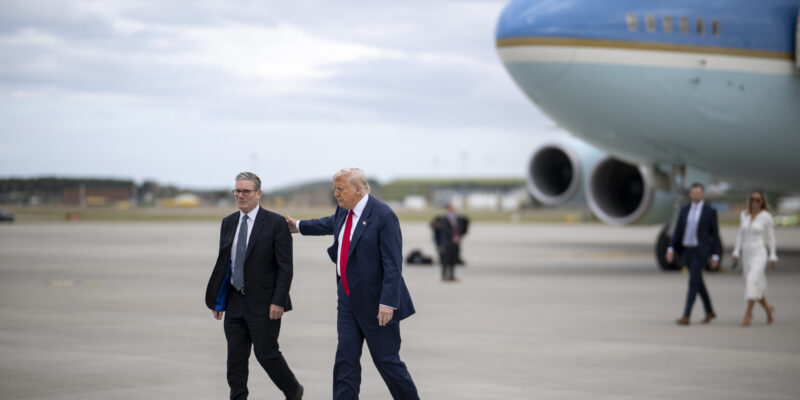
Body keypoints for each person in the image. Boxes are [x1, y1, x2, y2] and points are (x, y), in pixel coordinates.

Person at [286, 168, 419, 400]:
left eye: (340, 189)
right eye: (334, 189)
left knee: (387, 362)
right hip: (347, 300)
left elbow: (393, 265)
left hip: (378, 304)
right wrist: (299, 226)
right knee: (345, 361)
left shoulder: (383, 215)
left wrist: (388, 302)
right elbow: (329, 224)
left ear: (358, 189)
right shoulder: (343, 211)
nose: (336, 194)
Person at [205, 172, 304, 400]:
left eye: (246, 191)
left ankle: (293, 390)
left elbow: (285, 267)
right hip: (234, 301)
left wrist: (278, 300)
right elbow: (224, 264)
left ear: (258, 194)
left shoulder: (276, 223)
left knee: (266, 354)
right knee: (235, 360)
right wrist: (217, 300)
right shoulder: (228, 222)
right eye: (237, 191)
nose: (240, 195)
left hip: (265, 303)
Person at [666, 182, 722, 326]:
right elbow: (678, 231)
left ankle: (686, 315)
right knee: (698, 282)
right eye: (693, 193)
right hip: (688, 250)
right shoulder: (684, 210)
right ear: (690, 194)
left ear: (702, 194)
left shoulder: (710, 211)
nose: (696, 195)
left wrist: (715, 256)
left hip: (701, 251)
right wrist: (671, 248)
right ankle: (709, 311)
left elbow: (715, 236)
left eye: (698, 193)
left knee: (692, 283)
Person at [732, 190, 778, 326]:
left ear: (762, 202)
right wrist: (736, 252)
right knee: (754, 285)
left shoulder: (766, 217)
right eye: (753, 199)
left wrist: (773, 256)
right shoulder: (744, 215)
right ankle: (768, 312)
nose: (755, 202)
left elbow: (771, 238)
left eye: (758, 200)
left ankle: (748, 313)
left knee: (752, 281)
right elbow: (740, 235)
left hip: (759, 252)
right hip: (747, 253)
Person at [433, 204, 469, 281]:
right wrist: (453, 234)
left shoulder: (457, 218)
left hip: (455, 242)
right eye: (451, 208)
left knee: (453, 259)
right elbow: (444, 230)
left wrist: (458, 234)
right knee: (446, 260)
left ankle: (452, 275)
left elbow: (461, 227)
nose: (453, 209)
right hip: (447, 242)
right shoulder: (444, 218)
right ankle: (444, 275)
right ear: (448, 209)